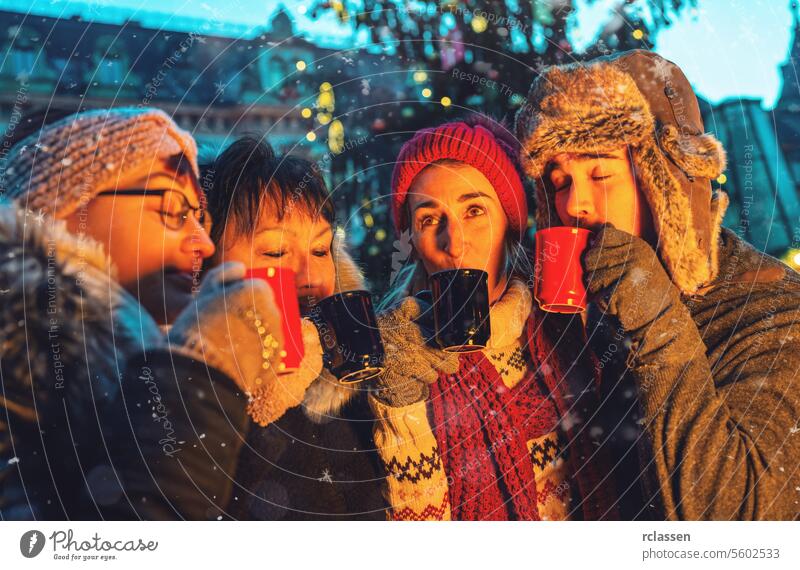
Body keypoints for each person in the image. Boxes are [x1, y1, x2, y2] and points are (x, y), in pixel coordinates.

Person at [515, 49, 800, 520]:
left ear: (661, 179)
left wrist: (656, 319)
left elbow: (745, 518)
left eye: (601, 172)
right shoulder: (590, 320)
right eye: (560, 181)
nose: (574, 204)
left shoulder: (769, 306)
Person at [0, 108, 283, 520]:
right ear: (61, 206)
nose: (204, 244)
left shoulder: (88, 346)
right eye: (173, 211)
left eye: (201, 220)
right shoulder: (20, 344)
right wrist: (202, 369)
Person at [371, 115, 618, 520]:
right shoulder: (393, 358)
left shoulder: (572, 332)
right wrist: (399, 404)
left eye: (474, 211)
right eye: (429, 219)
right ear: (413, 243)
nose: (455, 243)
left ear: (509, 224)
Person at [203, 136, 387, 519]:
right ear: (205, 260)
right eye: (274, 253)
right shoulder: (179, 395)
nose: (309, 276)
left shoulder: (355, 376)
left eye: (321, 251)